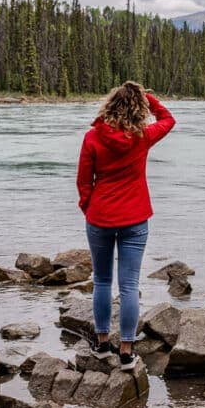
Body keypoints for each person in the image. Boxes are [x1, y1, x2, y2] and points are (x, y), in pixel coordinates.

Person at [76, 81, 175, 369]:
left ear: (109, 106)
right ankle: (127, 350)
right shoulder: (143, 136)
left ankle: (103, 342)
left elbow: (84, 182)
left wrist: (89, 208)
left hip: (100, 218)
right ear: (138, 110)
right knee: (129, 285)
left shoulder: (92, 137)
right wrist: (151, 98)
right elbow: (169, 119)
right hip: (135, 218)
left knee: (102, 281)